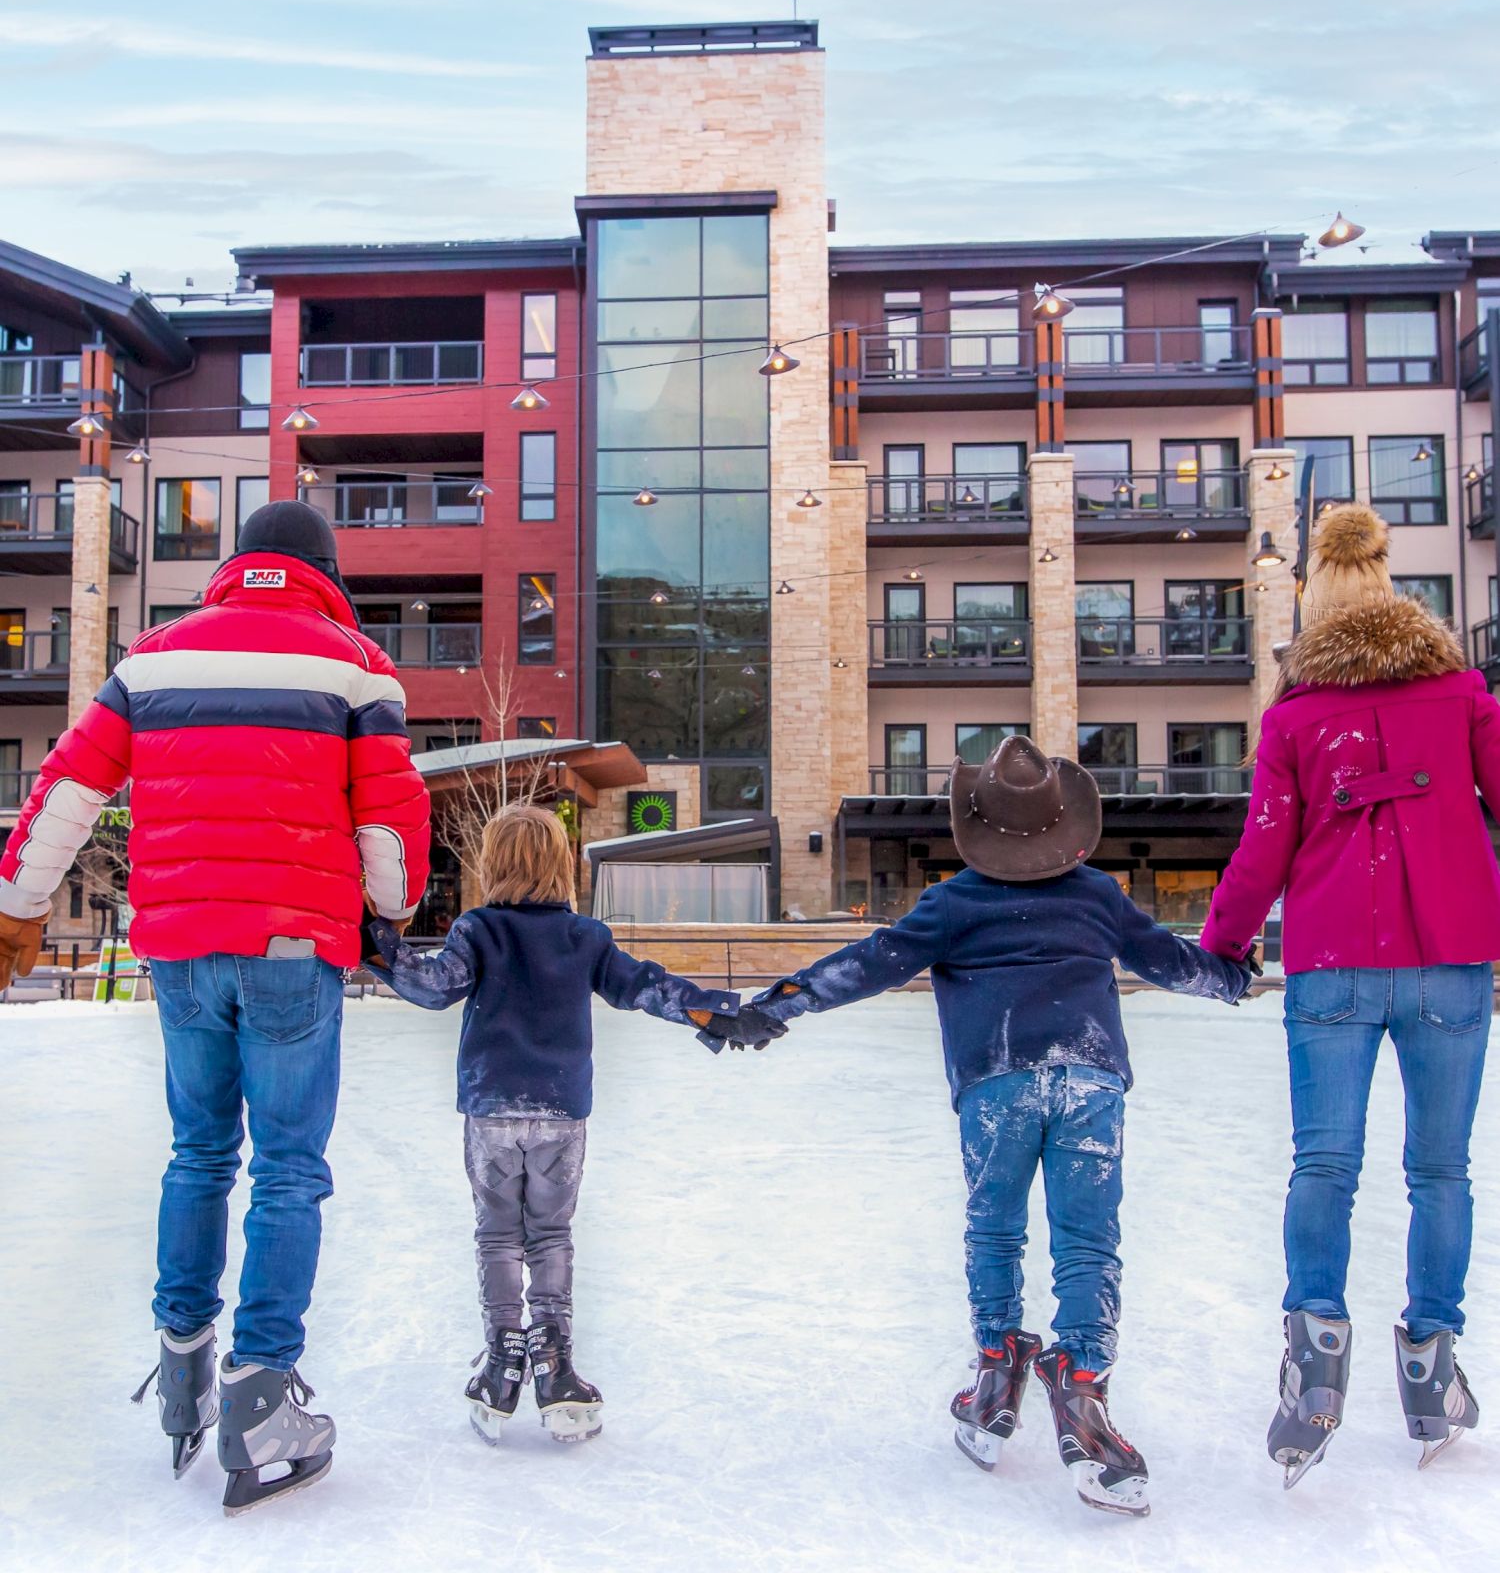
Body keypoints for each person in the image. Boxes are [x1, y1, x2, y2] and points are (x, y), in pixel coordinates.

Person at [0, 499, 431, 1516]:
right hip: (293, 945)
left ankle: (184, 1364)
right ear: (325, 570)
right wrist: (391, 906)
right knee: (287, 1168)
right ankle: (262, 1395)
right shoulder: (356, 663)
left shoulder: (151, 659)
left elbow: (69, 785)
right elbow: (391, 812)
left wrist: (17, 905)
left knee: (200, 1154)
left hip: (183, 947)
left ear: (237, 567)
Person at [748, 736, 1253, 1517]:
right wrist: (1229, 979)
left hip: (998, 1085)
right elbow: (1167, 959)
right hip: (1090, 1082)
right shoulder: (1096, 895)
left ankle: (996, 1367)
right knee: (1088, 1240)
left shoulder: (952, 904)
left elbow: (870, 961)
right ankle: (1082, 1383)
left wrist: (777, 1003)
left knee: (995, 1232)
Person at [1200, 502, 1493, 1484]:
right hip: (1453, 959)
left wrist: (1223, 946)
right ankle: (1430, 1366)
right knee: (1439, 1171)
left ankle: (1317, 1361)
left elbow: (1265, 845)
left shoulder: (1294, 717)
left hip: (1331, 963)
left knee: (1323, 1166)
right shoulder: (1461, 695)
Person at [362, 804, 782, 1447]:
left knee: (499, 1236)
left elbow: (431, 987)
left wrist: (373, 937)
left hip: (492, 1107)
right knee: (550, 1234)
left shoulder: (479, 930)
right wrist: (716, 1013)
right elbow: (647, 987)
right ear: (560, 864)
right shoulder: (585, 937)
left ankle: (503, 1366)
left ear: (494, 863)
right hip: (560, 1110)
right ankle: (555, 1369)